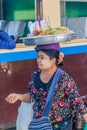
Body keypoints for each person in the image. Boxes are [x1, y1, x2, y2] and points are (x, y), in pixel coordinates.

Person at [5, 43, 87, 130]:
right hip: (40, 125)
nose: (38, 60)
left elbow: (77, 101)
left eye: (42, 57)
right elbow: (32, 97)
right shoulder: (34, 76)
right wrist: (18, 96)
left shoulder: (63, 78)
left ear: (53, 60)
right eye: (38, 57)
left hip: (61, 125)